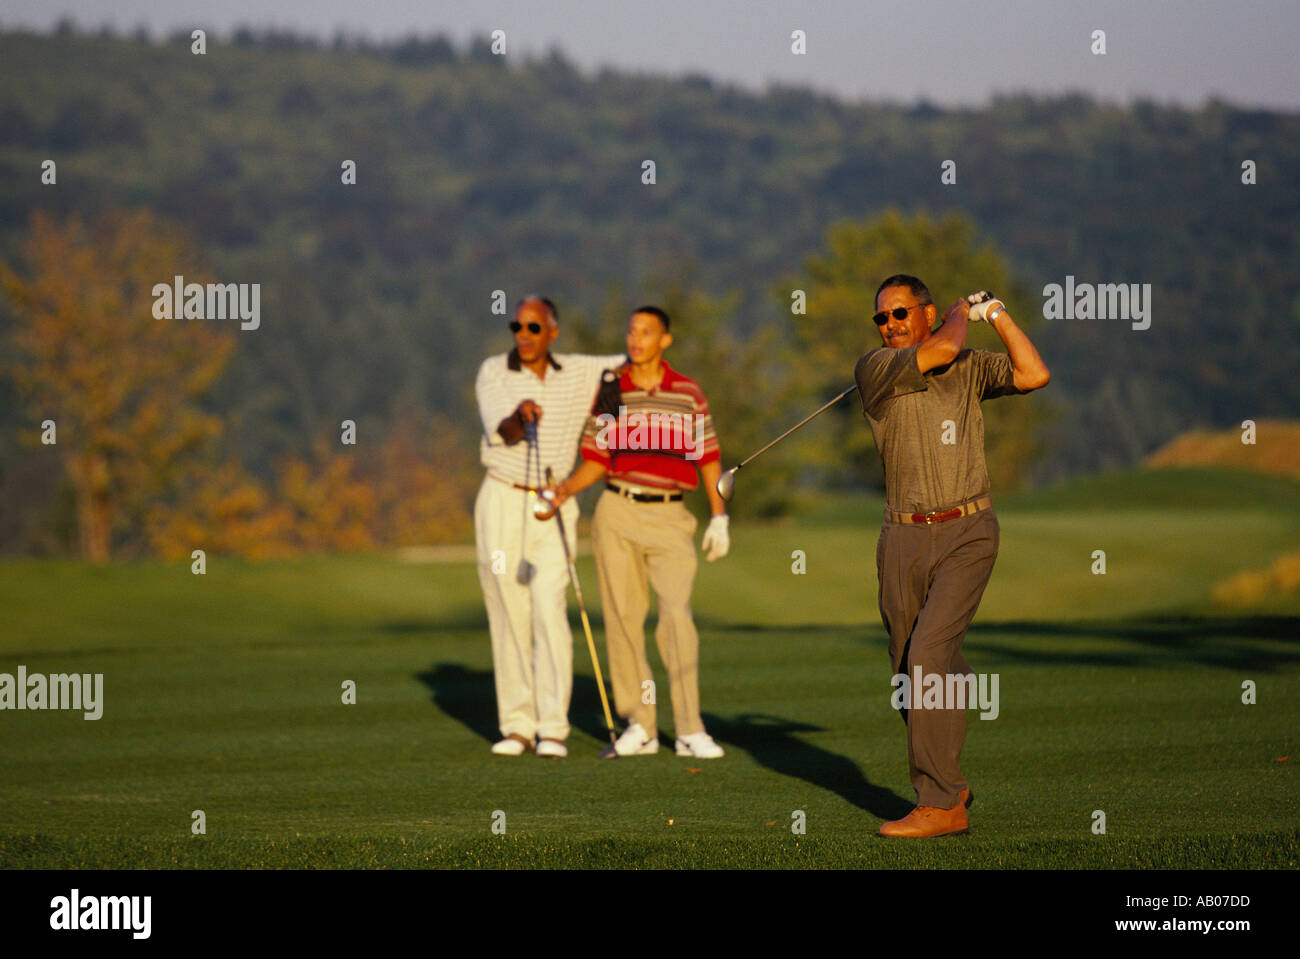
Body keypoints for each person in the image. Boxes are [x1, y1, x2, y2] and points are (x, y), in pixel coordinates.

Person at [855, 275, 1049, 837]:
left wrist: (1000, 315)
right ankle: (950, 776)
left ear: (925, 311)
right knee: (910, 675)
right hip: (903, 537)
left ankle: (941, 803)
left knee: (927, 660)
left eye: (899, 314)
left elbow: (1034, 374)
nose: (889, 325)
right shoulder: (876, 369)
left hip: (968, 530)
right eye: (882, 318)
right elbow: (942, 348)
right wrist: (962, 314)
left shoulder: (968, 367)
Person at [548, 306, 730, 759]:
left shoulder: (688, 392)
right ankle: (641, 725)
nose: (635, 339)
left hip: (671, 517)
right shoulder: (612, 387)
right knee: (624, 621)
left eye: (645, 332)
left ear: (664, 339)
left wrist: (720, 516)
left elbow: (708, 457)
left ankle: (689, 729)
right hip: (618, 511)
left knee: (676, 619)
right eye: (631, 331)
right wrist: (564, 490)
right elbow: (597, 457)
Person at [473, 296, 625, 758]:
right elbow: (504, 428)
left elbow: (636, 363)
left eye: (533, 327)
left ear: (552, 332)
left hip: (556, 499)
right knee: (508, 610)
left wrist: (612, 399)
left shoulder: (580, 370)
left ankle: (553, 729)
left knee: (549, 608)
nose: (523, 334)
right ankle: (518, 726)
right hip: (502, 496)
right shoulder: (494, 371)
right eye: (516, 326)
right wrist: (521, 415)